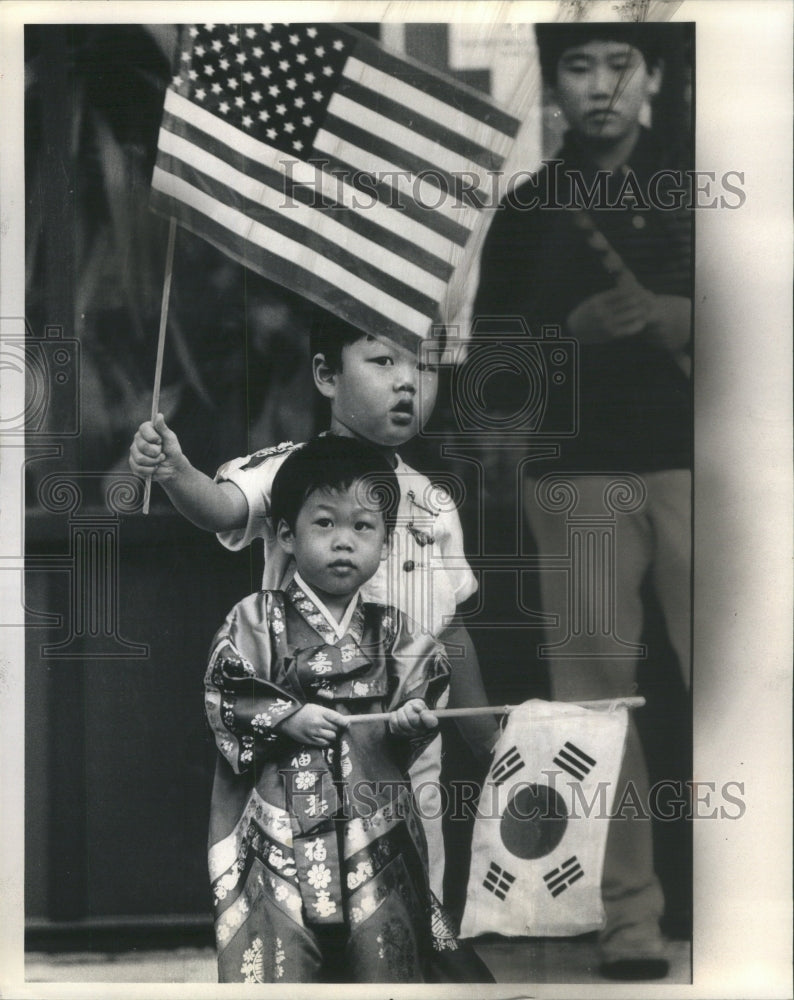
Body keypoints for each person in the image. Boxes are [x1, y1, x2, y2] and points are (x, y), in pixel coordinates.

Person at [129, 313, 498, 972]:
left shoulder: (434, 502)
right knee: (294, 920)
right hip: (299, 747)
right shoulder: (289, 471)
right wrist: (173, 467)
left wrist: (485, 736)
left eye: (423, 365)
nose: (408, 382)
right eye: (383, 362)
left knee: (407, 917)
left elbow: (450, 626)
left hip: (406, 749)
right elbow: (218, 507)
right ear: (327, 374)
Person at [473, 22, 692, 980]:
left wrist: (678, 316)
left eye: (620, 64)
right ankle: (631, 918)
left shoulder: (702, 187)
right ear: (554, 83)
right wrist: (572, 332)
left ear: (650, 76)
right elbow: (493, 369)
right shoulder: (528, 211)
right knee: (598, 703)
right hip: (576, 476)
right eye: (579, 65)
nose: (601, 85)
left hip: (710, 469)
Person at [204, 435, 450, 982]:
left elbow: (423, 687)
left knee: (382, 948)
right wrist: (288, 717)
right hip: (281, 818)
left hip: (372, 820)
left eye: (363, 527)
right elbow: (226, 687)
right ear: (287, 535)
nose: (345, 542)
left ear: (385, 543)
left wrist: (411, 716)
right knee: (282, 949)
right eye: (325, 524)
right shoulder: (256, 618)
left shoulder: (395, 631)